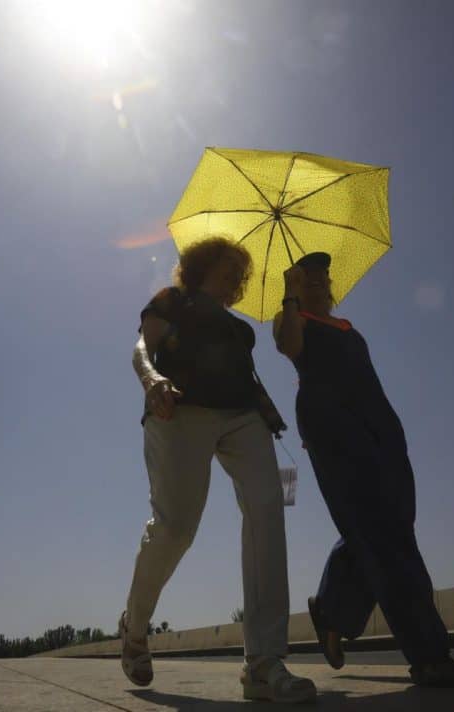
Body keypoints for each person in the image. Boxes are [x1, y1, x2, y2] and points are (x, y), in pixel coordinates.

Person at [120, 236, 316, 703]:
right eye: (228, 266)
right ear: (201, 266)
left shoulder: (240, 330)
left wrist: (270, 414)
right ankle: (136, 625)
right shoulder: (173, 301)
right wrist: (152, 379)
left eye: (240, 272)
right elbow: (140, 348)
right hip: (180, 410)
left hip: (241, 417)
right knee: (176, 528)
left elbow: (249, 376)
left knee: (268, 509)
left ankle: (263, 662)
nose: (236, 277)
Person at [273, 252, 454, 687]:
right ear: (295, 286)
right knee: (388, 542)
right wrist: (290, 297)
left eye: (322, 278)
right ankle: (429, 656)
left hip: (382, 433)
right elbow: (287, 346)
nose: (318, 284)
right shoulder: (294, 321)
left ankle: (332, 608)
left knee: (384, 530)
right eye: (306, 280)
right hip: (337, 432)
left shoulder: (347, 327)